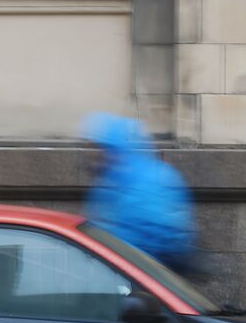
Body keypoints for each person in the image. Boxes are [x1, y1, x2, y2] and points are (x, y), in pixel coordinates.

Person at [81, 113, 197, 274]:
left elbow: (154, 236)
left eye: (97, 147)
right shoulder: (112, 179)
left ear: (112, 149)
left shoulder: (144, 181)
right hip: (126, 271)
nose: (92, 153)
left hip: (147, 274)